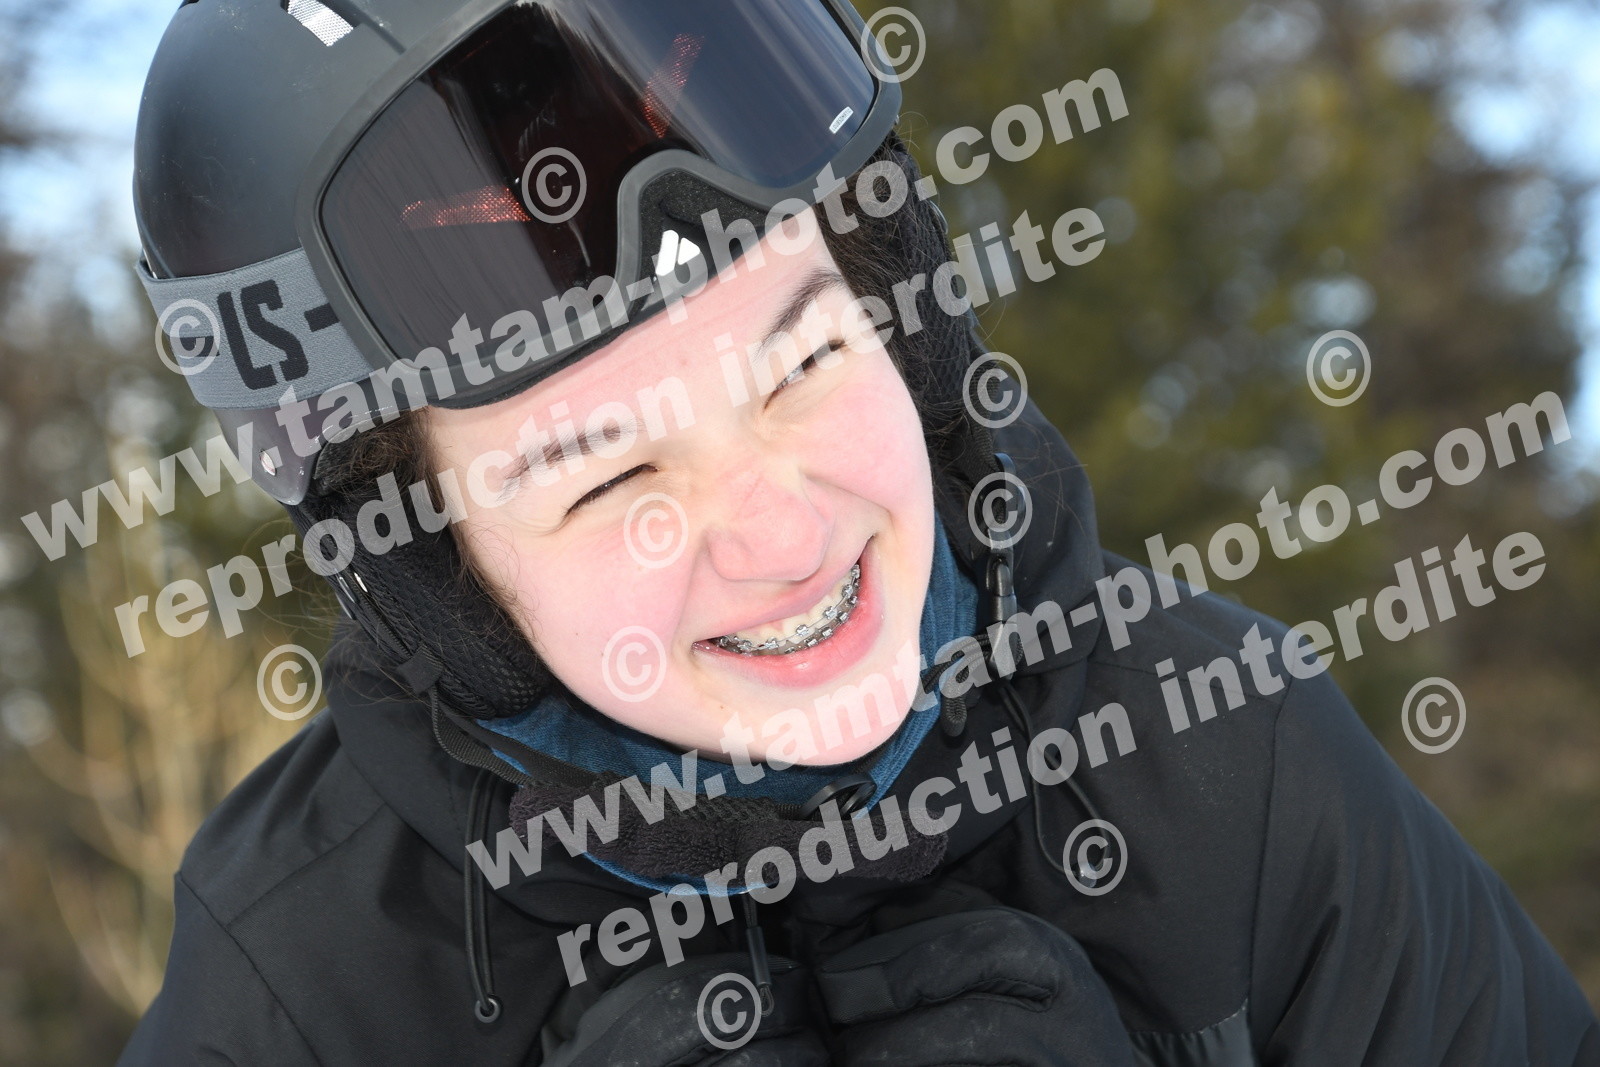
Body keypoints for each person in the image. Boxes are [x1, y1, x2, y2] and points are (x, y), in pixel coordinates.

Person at [119, 0, 1599, 1063]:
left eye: (807, 361)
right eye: (607, 480)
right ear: (436, 569)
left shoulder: (1223, 759)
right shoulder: (302, 984)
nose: (782, 534)